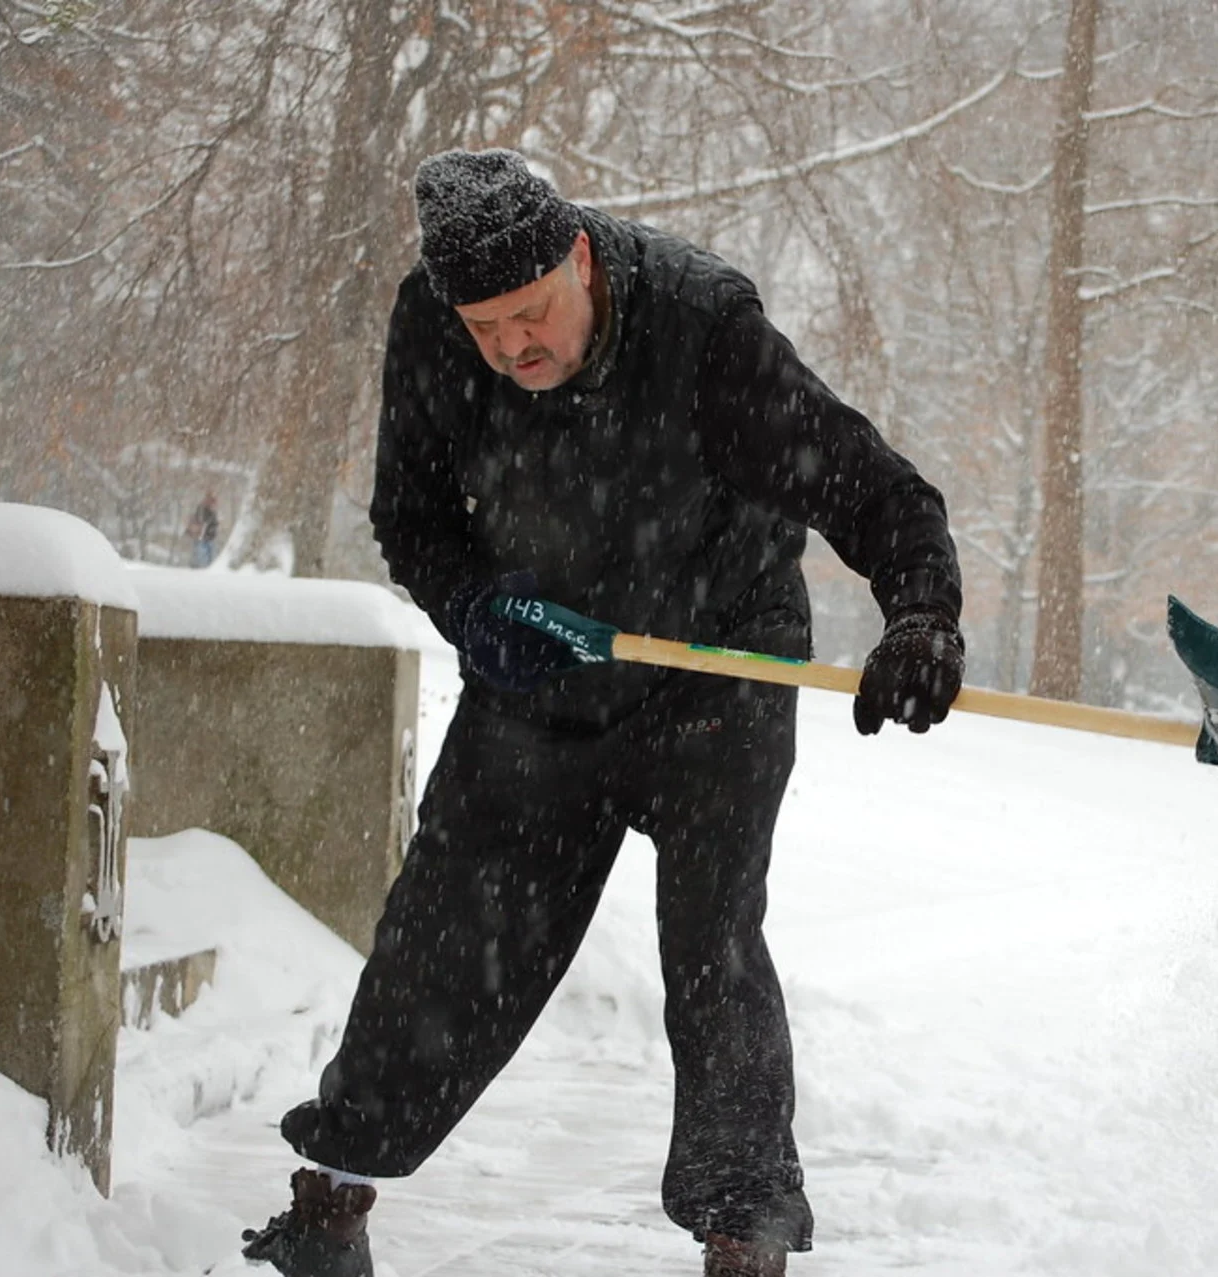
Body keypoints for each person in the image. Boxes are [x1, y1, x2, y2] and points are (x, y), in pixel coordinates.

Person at [237, 149, 965, 1277]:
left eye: (532, 314)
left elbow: (870, 486)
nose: (512, 345)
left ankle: (743, 1235)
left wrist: (922, 616)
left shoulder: (700, 328)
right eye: (487, 327)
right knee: (445, 930)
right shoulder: (434, 323)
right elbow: (411, 510)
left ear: (580, 256)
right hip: (544, 665)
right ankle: (328, 1205)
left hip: (719, 666)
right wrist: (476, 606)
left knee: (714, 948)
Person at [185, 491, 219, 567]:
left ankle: (201, 567)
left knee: (208, 558)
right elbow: (202, 522)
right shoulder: (202, 509)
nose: (214, 504)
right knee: (201, 557)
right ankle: (197, 567)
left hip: (209, 537)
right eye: (213, 502)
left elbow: (213, 523)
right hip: (202, 537)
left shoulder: (212, 511)